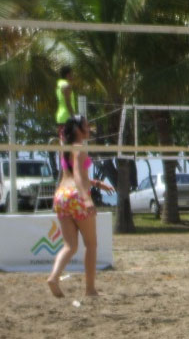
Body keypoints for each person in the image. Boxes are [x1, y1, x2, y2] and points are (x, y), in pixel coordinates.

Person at [47, 115, 114, 297]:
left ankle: (53, 277)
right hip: (77, 196)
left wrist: (97, 183)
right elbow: (78, 175)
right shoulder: (79, 148)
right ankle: (90, 289)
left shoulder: (66, 148)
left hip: (61, 196)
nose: (89, 128)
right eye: (86, 125)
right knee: (91, 245)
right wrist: (86, 198)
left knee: (69, 246)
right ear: (77, 129)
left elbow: (73, 174)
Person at [55, 66, 77, 142]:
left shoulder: (59, 84)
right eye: (72, 74)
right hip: (67, 118)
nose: (73, 76)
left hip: (61, 118)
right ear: (68, 75)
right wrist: (74, 117)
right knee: (70, 144)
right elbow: (68, 103)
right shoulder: (66, 85)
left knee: (64, 144)